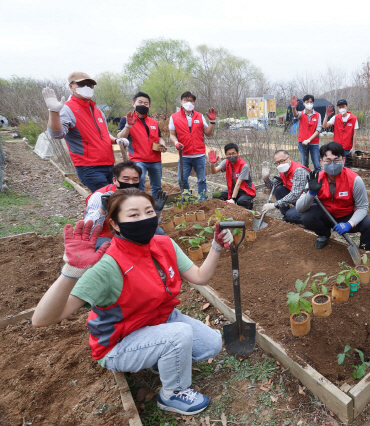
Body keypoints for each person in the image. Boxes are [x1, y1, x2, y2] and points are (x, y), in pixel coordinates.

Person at [32, 188, 234, 415]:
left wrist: (216, 247)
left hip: (158, 321)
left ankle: (162, 357)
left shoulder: (164, 244)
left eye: (148, 211)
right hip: (120, 341)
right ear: (116, 224)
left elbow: (200, 277)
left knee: (211, 344)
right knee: (179, 334)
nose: (144, 219)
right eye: (133, 215)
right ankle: (172, 394)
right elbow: (42, 319)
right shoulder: (107, 264)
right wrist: (71, 270)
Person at [43, 72, 129, 192]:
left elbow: (104, 135)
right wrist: (53, 111)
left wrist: (116, 140)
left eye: (90, 85)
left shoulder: (97, 111)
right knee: (109, 199)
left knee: (112, 201)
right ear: (71, 86)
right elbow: (56, 134)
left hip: (109, 165)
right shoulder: (67, 109)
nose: (87, 88)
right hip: (90, 168)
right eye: (82, 84)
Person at [296, 142, 370, 250]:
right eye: (328, 160)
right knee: (307, 217)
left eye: (336, 160)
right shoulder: (315, 179)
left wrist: (349, 224)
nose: (332, 164)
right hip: (326, 214)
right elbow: (299, 208)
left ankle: (364, 251)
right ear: (321, 162)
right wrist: (311, 193)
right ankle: (324, 234)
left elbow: (362, 207)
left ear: (343, 160)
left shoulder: (354, 180)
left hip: (346, 215)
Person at [84, 161, 168, 249]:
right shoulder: (100, 196)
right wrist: (102, 208)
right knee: (108, 245)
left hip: (127, 232)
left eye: (135, 180)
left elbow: (147, 222)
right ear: (115, 180)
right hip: (104, 236)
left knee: (158, 233)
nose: (131, 183)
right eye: (126, 179)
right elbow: (88, 229)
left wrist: (157, 211)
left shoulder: (136, 196)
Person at [117, 92, 167, 198]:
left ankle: (156, 209)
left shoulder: (154, 122)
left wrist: (162, 144)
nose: (143, 105)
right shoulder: (126, 119)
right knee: (139, 182)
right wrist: (128, 126)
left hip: (155, 159)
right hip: (138, 159)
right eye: (140, 102)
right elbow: (120, 137)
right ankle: (141, 205)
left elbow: (159, 137)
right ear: (133, 103)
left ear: (149, 106)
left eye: (146, 103)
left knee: (157, 186)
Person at [169, 91, 217, 199]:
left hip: (199, 154)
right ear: (181, 102)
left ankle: (202, 199)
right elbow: (172, 134)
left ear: (194, 103)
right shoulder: (174, 117)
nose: (188, 102)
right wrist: (176, 143)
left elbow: (208, 133)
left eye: (191, 101)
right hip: (184, 155)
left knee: (201, 179)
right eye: (186, 100)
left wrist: (212, 121)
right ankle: (187, 198)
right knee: (181, 179)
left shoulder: (199, 116)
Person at [261, 150, 310, 224]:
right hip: (298, 200)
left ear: (289, 158)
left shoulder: (298, 171)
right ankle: (287, 216)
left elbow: (294, 195)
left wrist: (275, 204)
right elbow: (273, 186)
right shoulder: (282, 172)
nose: (280, 164)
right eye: (277, 163)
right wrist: (266, 178)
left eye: (282, 161)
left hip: (308, 201)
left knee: (291, 215)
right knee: (279, 189)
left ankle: (308, 218)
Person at [210, 143, 256, 209]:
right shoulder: (226, 162)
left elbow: (238, 183)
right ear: (226, 155)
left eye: (233, 153)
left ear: (238, 153)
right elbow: (214, 171)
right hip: (233, 190)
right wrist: (212, 164)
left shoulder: (244, 165)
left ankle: (249, 203)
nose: (231, 156)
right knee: (216, 196)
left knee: (241, 202)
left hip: (245, 191)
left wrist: (233, 199)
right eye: (229, 154)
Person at [290, 94, 322, 172]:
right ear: (303, 103)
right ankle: (306, 181)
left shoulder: (318, 115)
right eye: (307, 102)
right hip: (302, 142)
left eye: (311, 102)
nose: (309, 104)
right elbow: (296, 115)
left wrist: (309, 139)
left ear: (313, 103)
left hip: (314, 143)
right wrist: (293, 107)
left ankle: (318, 181)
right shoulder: (301, 113)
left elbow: (318, 130)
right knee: (304, 165)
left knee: (317, 164)